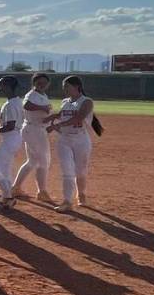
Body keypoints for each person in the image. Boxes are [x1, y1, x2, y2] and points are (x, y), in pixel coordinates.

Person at [46, 75, 102, 212]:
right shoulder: (65, 101)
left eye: (67, 86)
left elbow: (78, 118)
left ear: (77, 86)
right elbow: (64, 113)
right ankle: (67, 201)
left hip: (81, 140)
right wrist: (54, 117)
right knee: (67, 171)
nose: (64, 89)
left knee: (80, 171)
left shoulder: (87, 101)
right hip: (64, 140)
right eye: (63, 87)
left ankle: (81, 193)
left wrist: (58, 125)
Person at [12, 72, 54, 202]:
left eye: (44, 82)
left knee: (32, 161)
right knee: (44, 161)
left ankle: (16, 187)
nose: (42, 84)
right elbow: (27, 105)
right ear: (34, 83)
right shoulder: (31, 95)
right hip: (34, 130)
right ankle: (42, 192)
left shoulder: (43, 95)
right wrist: (43, 107)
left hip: (37, 130)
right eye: (39, 82)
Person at [0, 75, 24, 210]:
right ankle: (6, 199)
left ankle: (8, 196)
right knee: (5, 170)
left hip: (10, 138)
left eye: (1, 85)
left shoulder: (10, 104)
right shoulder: (17, 101)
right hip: (14, 138)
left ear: (8, 87)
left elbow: (10, 125)